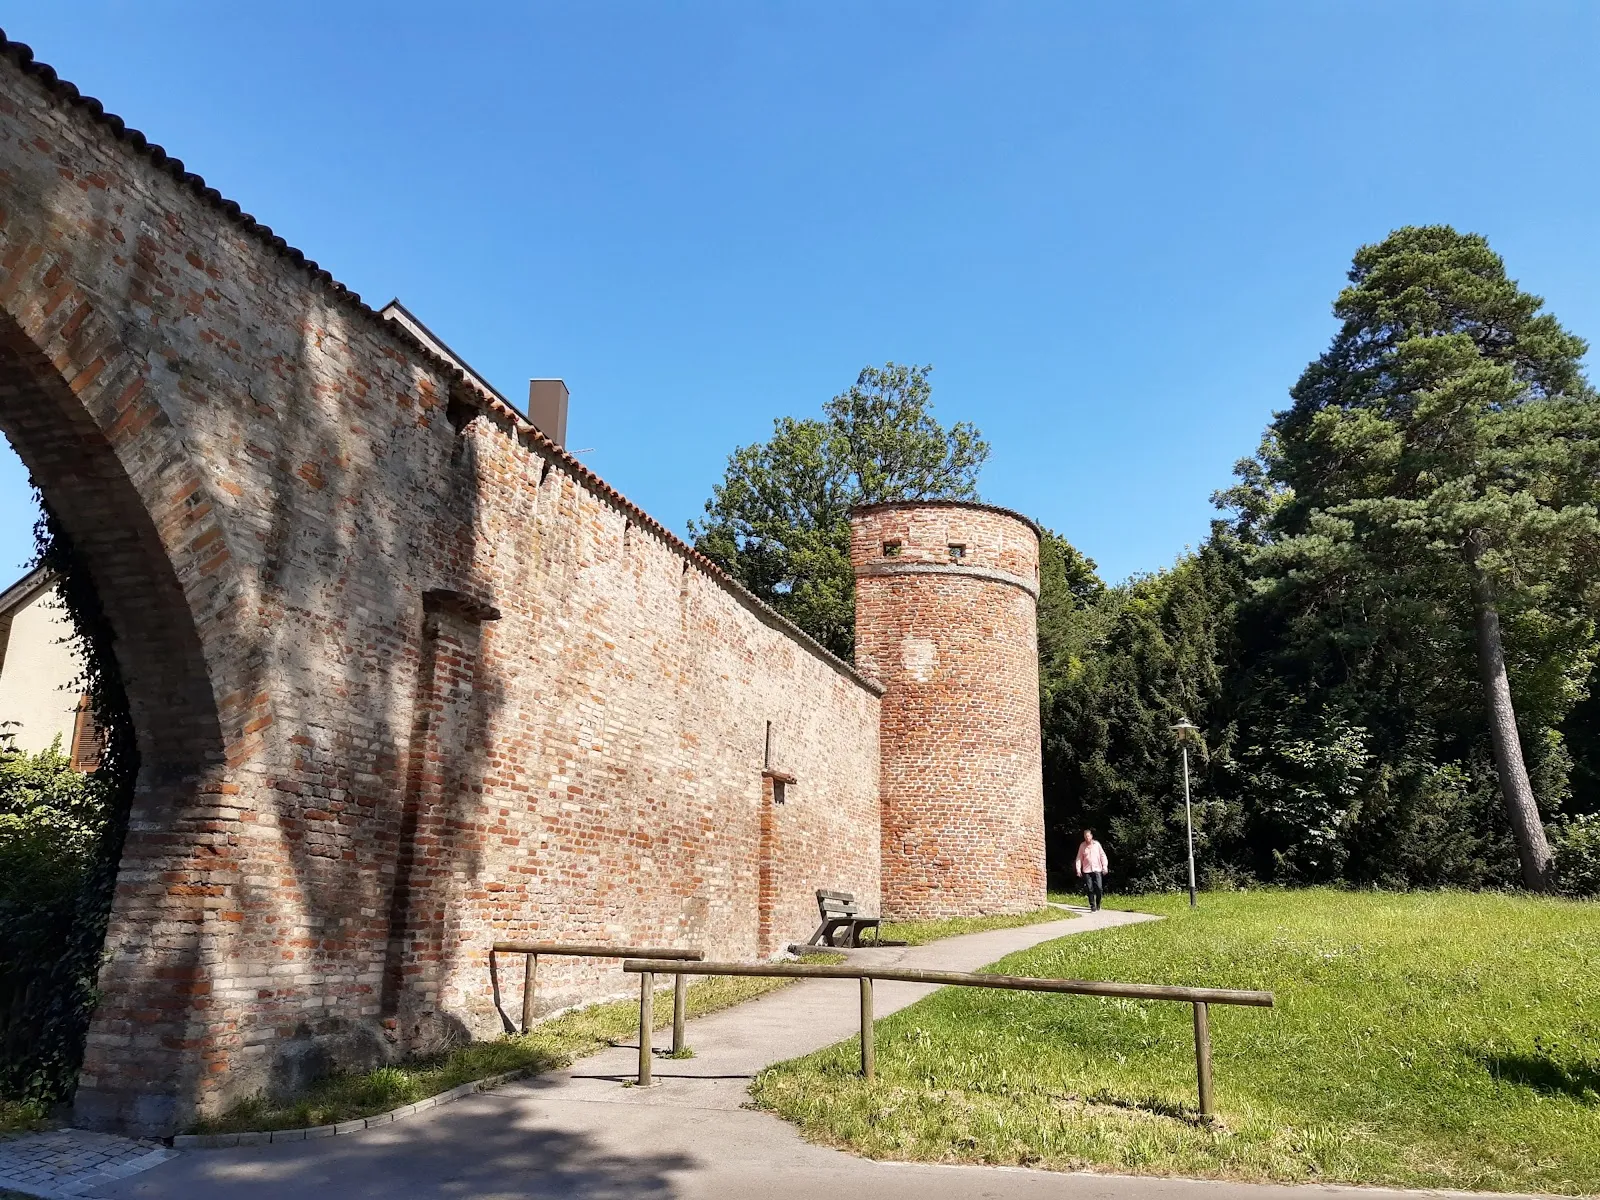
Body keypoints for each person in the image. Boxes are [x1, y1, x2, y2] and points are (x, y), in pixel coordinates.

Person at [1075, 828, 1108, 912]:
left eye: (1088, 836)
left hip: (1097, 869)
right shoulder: (1082, 846)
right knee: (1090, 888)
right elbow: (1079, 858)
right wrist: (1078, 869)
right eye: (1085, 837)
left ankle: (1098, 904)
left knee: (1099, 888)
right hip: (1087, 870)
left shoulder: (1097, 844)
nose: (1087, 838)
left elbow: (1102, 855)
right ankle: (1092, 905)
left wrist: (1105, 866)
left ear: (1091, 836)